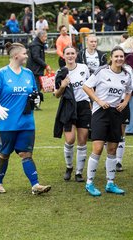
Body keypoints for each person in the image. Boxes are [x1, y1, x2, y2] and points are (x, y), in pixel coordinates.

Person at [0, 42, 51, 195]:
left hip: (26, 123)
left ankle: (35, 185)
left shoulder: (28, 73)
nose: (27, 56)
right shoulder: (1, 73)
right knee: (4, 154)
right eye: (24, 54)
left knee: (26, 154)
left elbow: (34, 92)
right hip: (6, 124)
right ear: (16, 56)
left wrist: (36, 99)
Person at [82, 46, 132, 196]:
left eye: (121, 57)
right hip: (100, 113)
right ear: (111, 57)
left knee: (112, 150)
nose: (119, 59)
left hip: (116, 113)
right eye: (116, 56)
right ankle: (89, 183)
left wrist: (125, 102)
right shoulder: (102, 71)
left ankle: (110, 183)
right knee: (97, 149)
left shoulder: (126, 74)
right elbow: (86, 86)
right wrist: (98, 100)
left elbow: (129, 90)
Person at [53, 46, 91, 182]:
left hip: (83, 106)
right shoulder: (60, 72)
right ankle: (69, 167)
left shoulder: (83, 68)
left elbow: (90, 86)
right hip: (68, 107)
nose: (70, 56)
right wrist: (62, 86)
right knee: (70, 140)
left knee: (82, 140)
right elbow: (56, 95)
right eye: (67, 54)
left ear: (76, 55)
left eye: (72, 53)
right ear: (63, 56)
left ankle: (79, 173)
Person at [26, 30, 52, 110]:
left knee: (38, 86)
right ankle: (33, 104)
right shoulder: (36, 46)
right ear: (41, 37)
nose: (46, 38)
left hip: (37, 69)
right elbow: (36, 57)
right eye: (45, 37)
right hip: (34, 70)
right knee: (36, 87)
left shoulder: (39, 45)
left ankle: (34, 103)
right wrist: (45, 65)